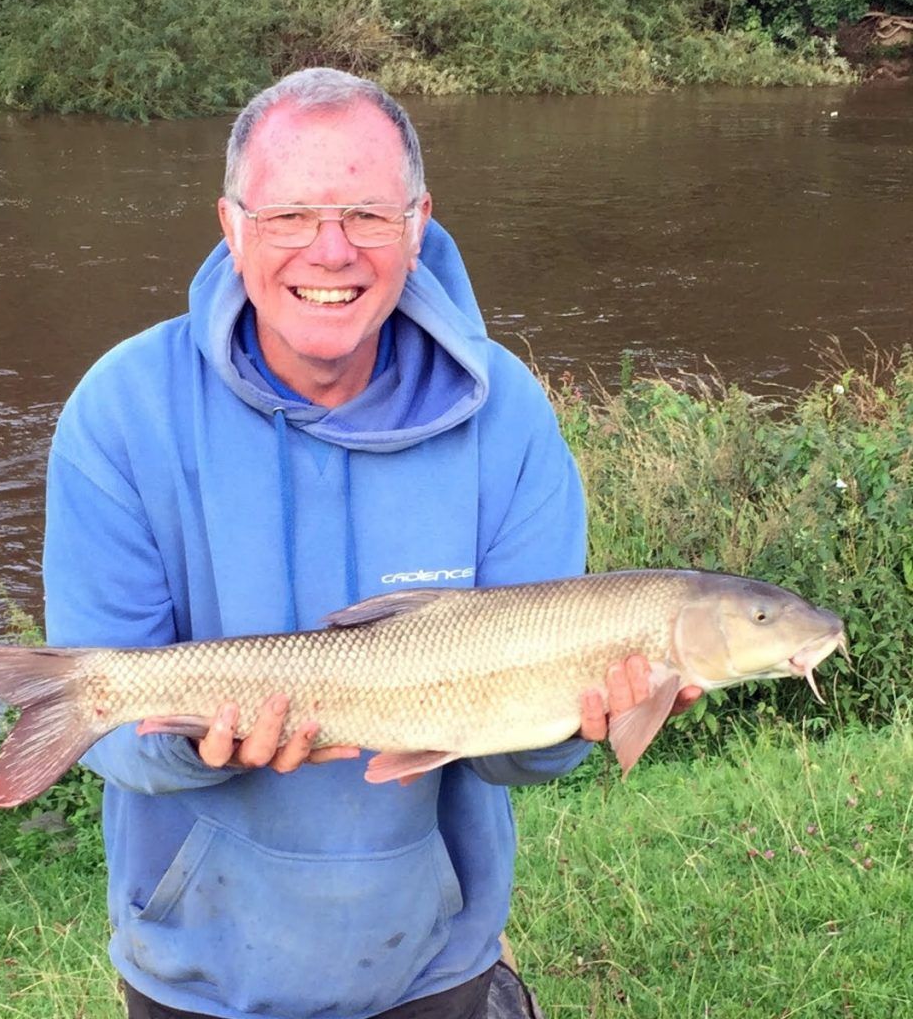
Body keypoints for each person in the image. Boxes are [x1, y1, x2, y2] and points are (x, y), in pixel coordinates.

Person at [43, 68, 700, 1019]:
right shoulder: (118, 411)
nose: (332, 249)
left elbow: (517, 756)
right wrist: (206, 750)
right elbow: (112, 735)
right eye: (290, 215)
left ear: (419, 223)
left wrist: (581, 725)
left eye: (366, 214)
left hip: (434, 959)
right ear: (230, 225)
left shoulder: (507, 413)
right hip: (198, 969)